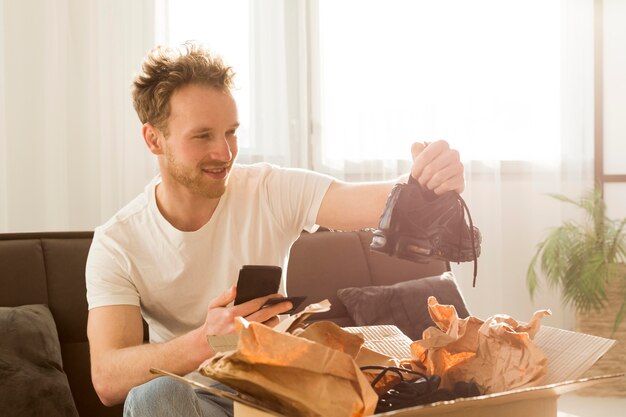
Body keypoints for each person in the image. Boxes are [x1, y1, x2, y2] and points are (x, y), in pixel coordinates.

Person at [85, 42, 465, 417]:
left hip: (277, 389)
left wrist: (424, 183)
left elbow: (373, 200)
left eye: (231, 132)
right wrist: (206, 341)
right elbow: (107, 378)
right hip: (193, 397)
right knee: (154, 395)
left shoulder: (268, 190)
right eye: (203, 136)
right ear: (154, 139)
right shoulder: (118, 242)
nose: (225, 152)